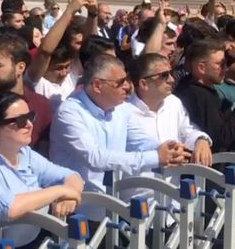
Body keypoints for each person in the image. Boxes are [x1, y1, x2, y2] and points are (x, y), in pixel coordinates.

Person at [50, 55, 190, 222]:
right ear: (97, 85)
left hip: (114, 209)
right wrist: (156, 157)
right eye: (120, 82)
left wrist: (171, 151)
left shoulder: (122, 109)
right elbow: (95, 158)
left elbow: (141, 141)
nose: (128, 86)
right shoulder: (69, 113)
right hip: (77, 212)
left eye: (127, 80)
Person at [0, 90, 84, 247]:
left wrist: (68, 198)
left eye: (30, 116)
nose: (29, 124)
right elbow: (7, 209)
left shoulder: (25, 154)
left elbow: (72, 176)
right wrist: (60, 191)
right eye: (20, 120)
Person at [174, 38, 235, 153]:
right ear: (202, 68)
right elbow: (221, 139)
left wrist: (231, 54)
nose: (225, 68)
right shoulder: (200, 96)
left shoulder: (189, 85)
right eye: (220, 65)